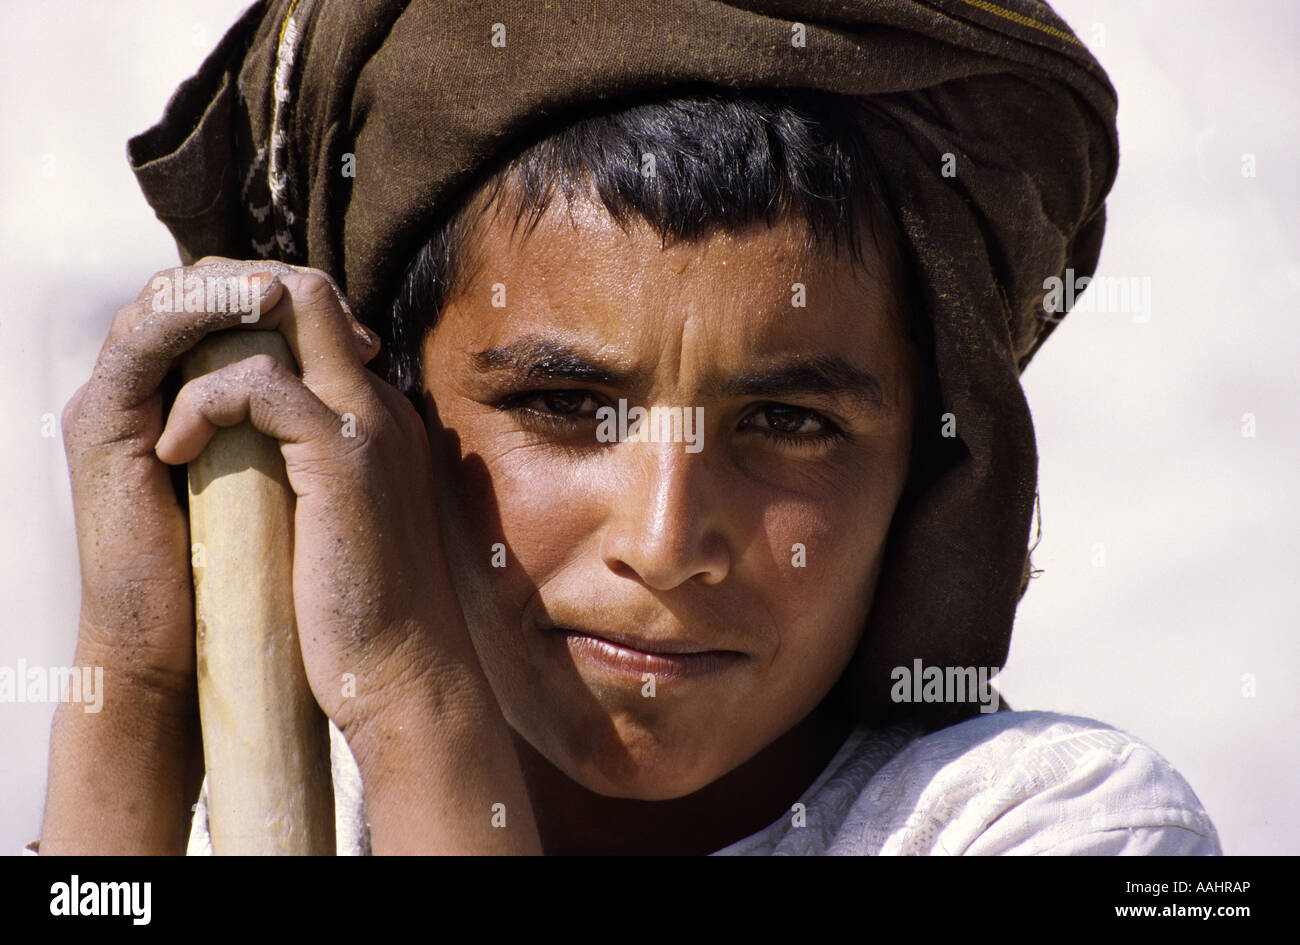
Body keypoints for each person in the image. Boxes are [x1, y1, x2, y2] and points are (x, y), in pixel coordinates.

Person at [36, 0, 1221, 855]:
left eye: (790, 421)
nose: (665, 543)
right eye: (564, 408)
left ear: (930, 469)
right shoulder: (246, 812)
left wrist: (414, 700)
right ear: (375, 409)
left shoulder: (1058, 824)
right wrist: (136, 684)